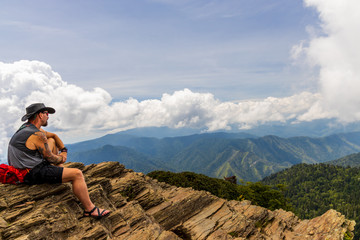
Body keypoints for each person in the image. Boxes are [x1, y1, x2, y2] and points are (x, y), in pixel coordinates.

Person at [8, 103, 110, 218]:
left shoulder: (27, 128)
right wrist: (63, 156)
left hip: (24, 167)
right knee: (77, 174)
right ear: (40, 115)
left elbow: (54, 136)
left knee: (51, 140)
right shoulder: (36, 134)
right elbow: (51, 158)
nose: (48, 116)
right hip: (31, 172)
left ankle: (60, 170)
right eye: (46, 113)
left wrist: (63, 149)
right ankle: (90, 209)